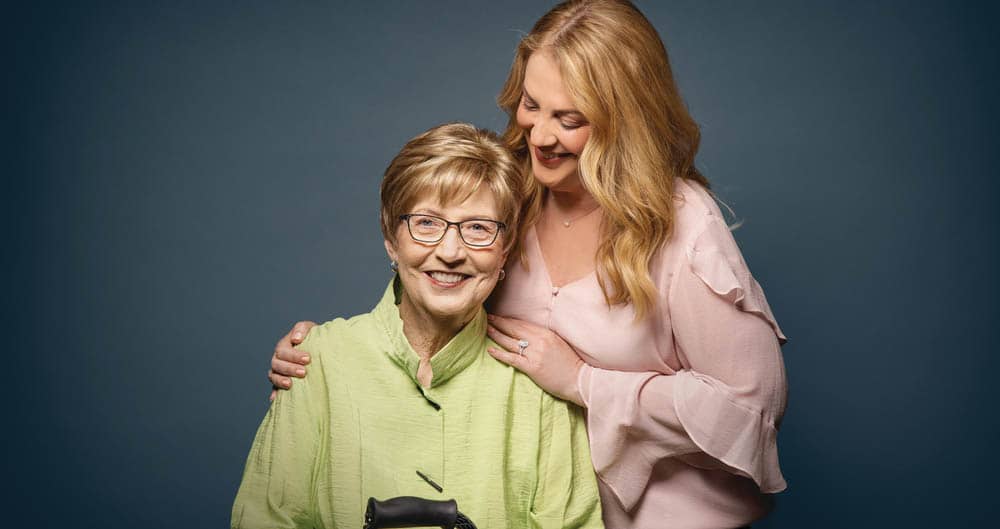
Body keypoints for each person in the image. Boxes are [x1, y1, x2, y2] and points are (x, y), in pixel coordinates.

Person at [268, 1, 788, 527]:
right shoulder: (513, 189)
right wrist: (329, 355)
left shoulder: (682, 223)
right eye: (531, 104)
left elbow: (749, 414)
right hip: (529, 510)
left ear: (624, 120)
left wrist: (583, 382)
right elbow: (438, 276)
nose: (539, 135)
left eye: (569, 119)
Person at [233, 123, 604, 529]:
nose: (449, 251)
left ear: (506, 249)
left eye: (478, 228)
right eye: (426, 223)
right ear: (391, 237)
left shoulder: (538, 383)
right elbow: (265, 519)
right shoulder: (316, 362)